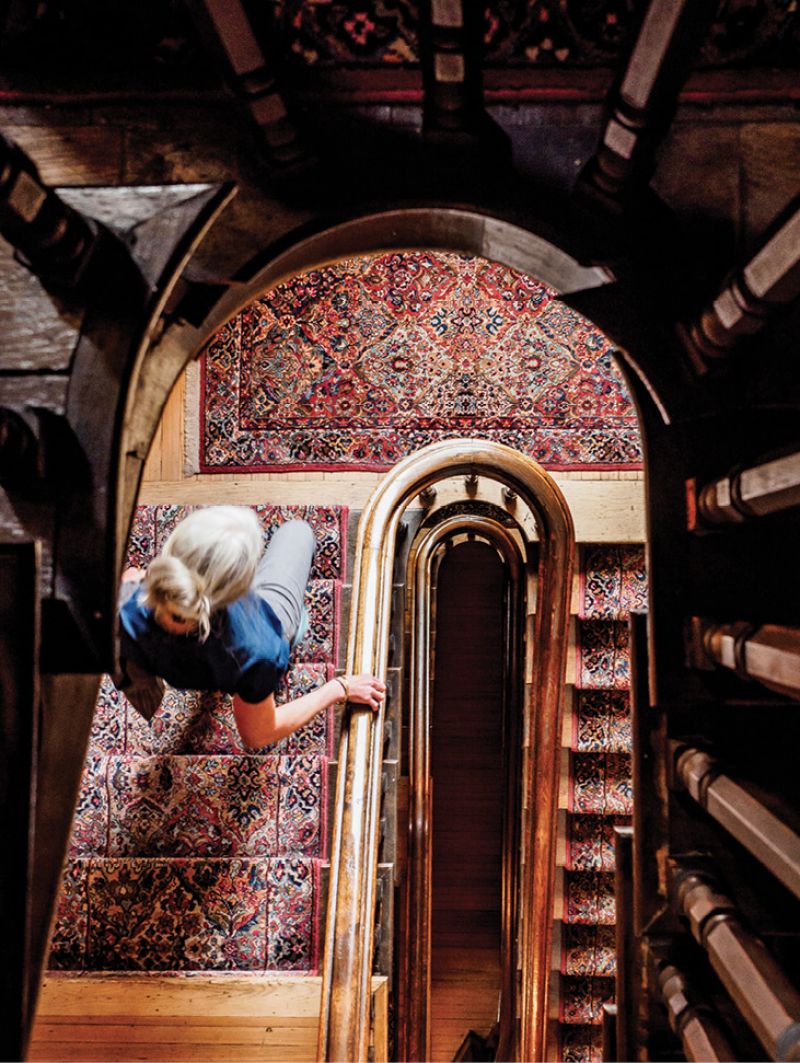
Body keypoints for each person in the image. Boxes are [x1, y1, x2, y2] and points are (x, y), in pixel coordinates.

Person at [117, 505, 385, 747]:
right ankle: (296, 623)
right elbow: (258, 736)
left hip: (183, 667)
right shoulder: (258, 649)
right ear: (239, 590)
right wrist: (339, 687)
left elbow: (132, 580)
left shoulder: (119, 604)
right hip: (241, 655)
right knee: (298, 531)